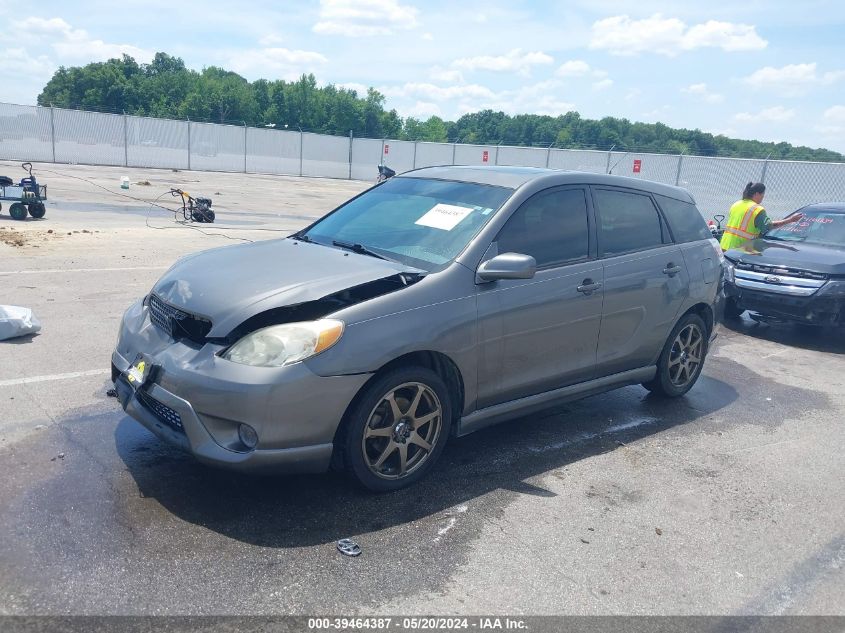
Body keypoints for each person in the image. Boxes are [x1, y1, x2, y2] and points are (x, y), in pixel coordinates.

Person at [720, 182, 802, 251]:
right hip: (742, 250)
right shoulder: (757, 209)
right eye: (762, 194)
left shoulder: (737, 204)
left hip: (725, 246)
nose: (763, 197)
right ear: (756, 194)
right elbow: (769, 226)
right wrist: (790, 220)